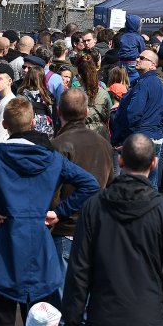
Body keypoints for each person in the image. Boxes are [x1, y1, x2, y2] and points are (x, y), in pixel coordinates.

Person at [0, 97, 98, 326]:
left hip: (3, 245)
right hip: (38, 245)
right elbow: (90, 184)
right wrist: (59, 212)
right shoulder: (52, 159)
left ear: (4, 125)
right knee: (39, 319)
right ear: (32, 124)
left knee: (2, 317)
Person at [62, 133, 163, 326]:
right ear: (154, 164)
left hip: (102, 317)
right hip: (149, 317)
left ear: (120, 161)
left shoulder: (93, 208)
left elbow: (78, 273)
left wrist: (72, 320)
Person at [50, 88, 114, 298]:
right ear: (86, 112)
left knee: (65, 301)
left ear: (59, 111)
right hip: (95, 226)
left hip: (65, 228)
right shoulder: (103, 144)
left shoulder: (57, 145)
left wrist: (55, 213)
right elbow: (111, 185)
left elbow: (52, 191)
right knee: (89, 298)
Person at [110, 49, 163, 189]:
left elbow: (133, 113)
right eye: (138, 57)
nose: (137, 59)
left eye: (142, 58)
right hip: (154, 136)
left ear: (153, 65)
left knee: (132, 182)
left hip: (141, 138)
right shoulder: (158, 85)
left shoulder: (144, 84)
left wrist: (125, 138)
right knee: (150, 184)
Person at [117, 14, 145, 84]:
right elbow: (142, 51)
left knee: (124, 77)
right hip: (133, 61)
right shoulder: (138, 37)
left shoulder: (123, 36)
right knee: (135, 75)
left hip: (122, 62)